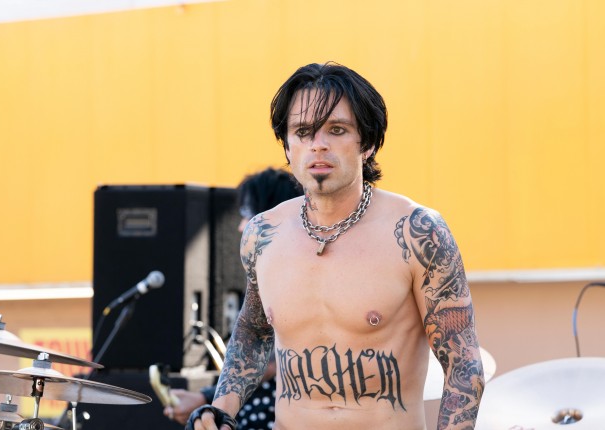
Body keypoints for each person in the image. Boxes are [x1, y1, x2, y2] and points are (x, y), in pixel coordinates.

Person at [186, 62, 484, 430]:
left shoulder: (417, 232)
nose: (318, 144)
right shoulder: (263, 234)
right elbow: (252, 332)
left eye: (337, 130)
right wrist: (220, 409)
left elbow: (463, 364)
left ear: (368, 143)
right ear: (287, 146)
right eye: (303, 132)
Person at [165, 167, 302, 429]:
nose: (241, 226)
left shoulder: (293, 275)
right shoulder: (266, 272)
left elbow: (267, 361)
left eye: (248, 215)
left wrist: (205, 398)